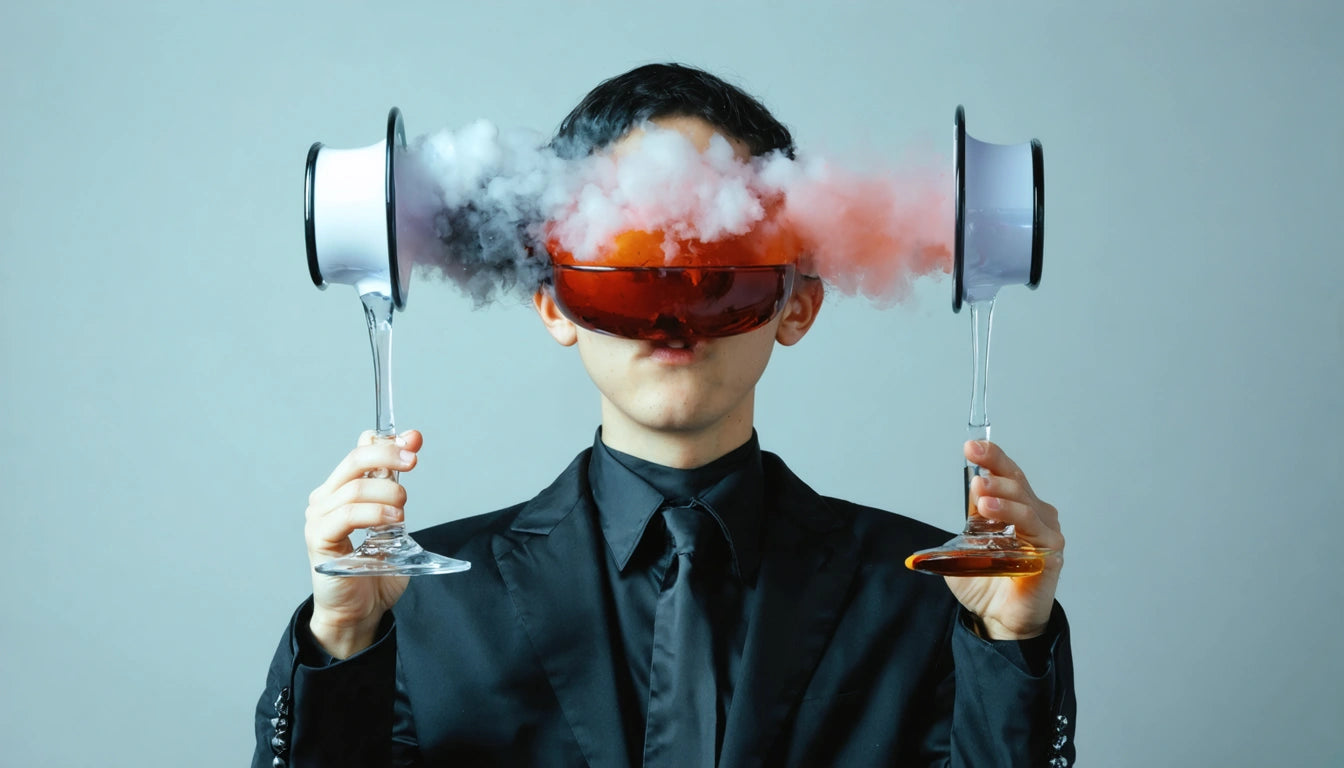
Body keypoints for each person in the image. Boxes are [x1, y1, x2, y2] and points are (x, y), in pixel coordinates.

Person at [253, 63, 1075, 768]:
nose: (672, 318)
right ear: (554, 303)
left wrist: (1013, 648)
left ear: (796, 306)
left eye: (720, 275)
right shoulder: (420, 606)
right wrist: (341, 644)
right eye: (628, 267)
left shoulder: (929, 596)